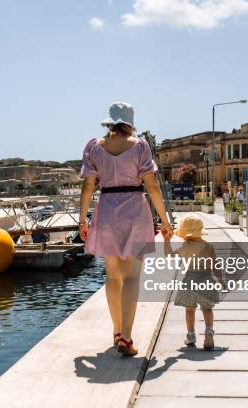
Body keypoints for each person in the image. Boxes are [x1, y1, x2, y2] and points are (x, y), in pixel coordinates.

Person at [79, 102, 173, 357]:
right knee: (132, 275)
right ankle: (128, 339)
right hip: (135, 209)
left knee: (113, 275)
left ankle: (118, 331)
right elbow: (152, 187)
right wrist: (164, 220)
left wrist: (82, 219)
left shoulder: (94, 147)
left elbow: (88, 187)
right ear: (130, 123)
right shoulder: (140, 146)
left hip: (107, 208)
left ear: (109, 122)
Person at [169, 215, 224, 351]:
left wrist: (165, 240)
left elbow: (169, 255)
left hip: (189, 282)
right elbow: (215, 266)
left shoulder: (185, 247)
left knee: (189, 309)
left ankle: (191, 335)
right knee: (207, 309)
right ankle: (209, 331)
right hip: (206, 281)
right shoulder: (208, 246)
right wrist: (221, 280)